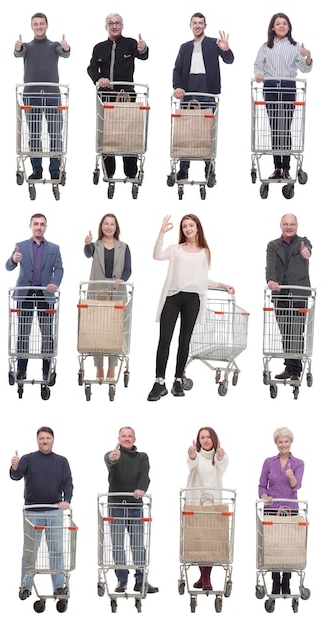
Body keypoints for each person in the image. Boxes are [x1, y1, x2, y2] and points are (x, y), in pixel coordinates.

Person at [148, 215, 234, 401]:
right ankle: (159, 382)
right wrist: (162, 232)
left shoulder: (204, 252)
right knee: (165, 339)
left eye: (191, 225)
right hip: (172, 297)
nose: (187, 228)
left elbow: (202, 280)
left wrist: (223, 285)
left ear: (197, 227)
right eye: (184, 226)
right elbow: (156, 256)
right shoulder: (176, 249)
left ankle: (178, 380)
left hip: (192, 299)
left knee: (184, 340)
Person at [10, 426, 73, 599]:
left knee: (56, 550)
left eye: (48, 438)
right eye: (41, 438)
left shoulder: (62, 461)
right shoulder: (28, 459)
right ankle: (25, 585)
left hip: (54, 511)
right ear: (37, 440)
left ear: (53, 440)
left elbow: (68, 482)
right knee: (30, 551)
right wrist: (14, 467)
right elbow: (16, 476)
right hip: (32, 512)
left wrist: (66, 500)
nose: (44, 441)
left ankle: (59, 586)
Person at [172, 12, 234, 180]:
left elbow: (230, 60)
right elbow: (177, 69)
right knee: (185, 133)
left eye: (200, 23)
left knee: (208, 133)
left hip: (208, 94)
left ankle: (209, 167)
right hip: (188, 95)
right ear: (190, 26)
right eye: (195, 23)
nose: (198, 25)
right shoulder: (185, 46)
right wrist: (177, 87)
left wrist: (226, 49)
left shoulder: (213, 43)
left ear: (205, 26)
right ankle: (183, 170)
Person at [87, 13, 148, 178]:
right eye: (111, 23)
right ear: (106, 26)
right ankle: (109, 172)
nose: (114, 26)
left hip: (126, 97)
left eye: (117, 23)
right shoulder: (99, 47)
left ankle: (130, 172)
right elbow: (91, 68)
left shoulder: (130, 44)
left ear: (122, 26)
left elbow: (143, 55)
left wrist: (143, 49)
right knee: (107, 135)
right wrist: (99, 79)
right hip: (106, 97)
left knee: (129, 133)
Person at [254, 13, 312, 179]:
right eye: (278, 24)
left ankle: (286, 168)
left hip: (287, 87)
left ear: (289, 27)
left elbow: (305, 69)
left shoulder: (296, 46)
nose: (281, 26)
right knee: (274, 127)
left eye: (284, 23)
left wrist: (308, 55)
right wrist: (258, 74)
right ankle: (277, 168)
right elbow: (258, 65)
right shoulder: (266, 47)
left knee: (285, 127)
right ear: (273, 27)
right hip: (271, 87)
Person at [6, 213, 63, 381]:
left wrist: (55, 283)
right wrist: (13, 259)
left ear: (46, 227)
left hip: (46, 294)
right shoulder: (20, 246)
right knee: (23, 333)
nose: (39, 227)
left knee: (47, 334)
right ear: (30, 226)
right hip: (25, 294)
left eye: (42, 224)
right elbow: (8, 266)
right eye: (36, 224)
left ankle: (46, 370)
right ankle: (21, 370)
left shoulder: (54, 248)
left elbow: (59, 269)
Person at [15, 12, 70, 180]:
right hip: (31, 95)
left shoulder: (54, 45)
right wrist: (17, 47)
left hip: (53, 95)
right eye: (35, 24)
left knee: (55, 134)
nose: (38, 27)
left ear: (46, 25)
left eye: (41, 23)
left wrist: (66, 47)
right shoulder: (27, 46)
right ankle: (37, 170)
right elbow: (18, 53)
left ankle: (55, 171)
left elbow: (65, 53)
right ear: (32, 27)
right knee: (34, 134)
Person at [105, 427, 159, 594]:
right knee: (118, 544)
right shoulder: (114, 454)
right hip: (116, 506)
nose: (127, 438)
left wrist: (141, 489)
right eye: (124, 436)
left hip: (135, 506)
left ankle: (141, 580)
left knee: (137, 545)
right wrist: (112, 458)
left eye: (130, 436)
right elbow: (110, 461)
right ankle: (122, 580)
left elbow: (145, 476)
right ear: (119, 438)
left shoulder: (142, 457)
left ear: (134, 439)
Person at [84, 213, 131, 379]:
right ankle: (99, 367)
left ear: (116, 227)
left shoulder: (124, 247)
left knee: (115, 329)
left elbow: (128, 269)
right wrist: (88, 243)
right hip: (97, 290)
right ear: (101, 226)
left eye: (112, 224)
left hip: (117, 291)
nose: (109, 227)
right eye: (106, 224)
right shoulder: (95, 245)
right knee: (97, 329)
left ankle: (112, 366)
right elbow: (88, 253)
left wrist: (122, 280)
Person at [258, 426, 304, 595]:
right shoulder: (269, 462)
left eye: (286, 441)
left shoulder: (298, 463)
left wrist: (291, 475)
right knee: (273, 545)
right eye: (280, 442)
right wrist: (264, 495)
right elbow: (262, 485)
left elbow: (295, 485)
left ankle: (287, 581)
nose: (283, 444)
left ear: (290, 442)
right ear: (276, 443)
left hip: (290, 509)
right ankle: (275, 581)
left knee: (289, 545)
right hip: (271, 509)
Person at [266, 214, 312, 381]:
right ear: (280, 225)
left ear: (297, 225)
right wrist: (271, 279)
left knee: (296, 332)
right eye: (286, 224)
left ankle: (295, 370)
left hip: (299, 295)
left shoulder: (303, 242)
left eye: (292, 224)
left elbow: (308, 249)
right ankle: (289, 366)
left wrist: (306, 252)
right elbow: (270, 264)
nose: (289, 227)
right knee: (285, 332)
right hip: (281, 294)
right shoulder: (273, 245)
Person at [186, 426, 228, 591]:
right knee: (197, 540)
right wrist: (191, 456)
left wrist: (220, 456)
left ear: (214, 439)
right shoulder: (195, 456)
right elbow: (191, 465)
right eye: (202, 437)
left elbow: (222, 466)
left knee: (210, 541)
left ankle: (206, 579)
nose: (205, 440)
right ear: (198, 441)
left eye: (208, 437)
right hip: (195, 503)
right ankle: (203, 577)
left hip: (213, 505)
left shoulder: (219, 457)